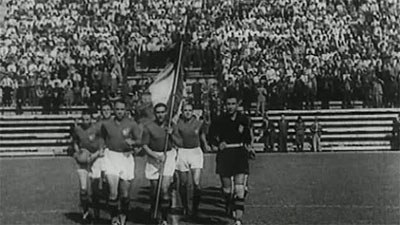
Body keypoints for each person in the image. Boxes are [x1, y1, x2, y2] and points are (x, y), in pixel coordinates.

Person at [209, 94, 252, 225]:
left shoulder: (243, 119)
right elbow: (211, 136)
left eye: (233, 104)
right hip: (225, 155)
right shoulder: (219, 119)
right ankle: (228, 202)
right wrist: (217, 144)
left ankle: (238, 220)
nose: (231, 107)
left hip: (239, 154)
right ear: (225, 105)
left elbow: (247, 137)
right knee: (227, 190)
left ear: (237, 105)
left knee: (239, 189)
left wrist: (247, 143)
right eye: (228, 104)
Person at [100, 100, 142, 225]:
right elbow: (102, 138)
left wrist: (133, 147)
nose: (120, 112)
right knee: (113, 191)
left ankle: (123, 214)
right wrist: (102, 149)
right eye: (117, 109)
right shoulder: (106, 124)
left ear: (126, 110)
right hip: (111, 157)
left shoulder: (132, 124)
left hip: (126, 158)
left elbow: (139, 141)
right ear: (114, 110)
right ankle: (113, 218)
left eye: (122, 109)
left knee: (124, 194)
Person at [141, 103, 182, 225]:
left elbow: (179, 142)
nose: (160, 115)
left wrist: (171, 134)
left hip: (168, 156)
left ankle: (164, 218)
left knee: (164, 188)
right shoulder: (148, 126)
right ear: (155, 113)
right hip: (154, 157)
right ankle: (155, 211)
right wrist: (155, 155)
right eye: (158, 112)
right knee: (154, 190)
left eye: (162, 112)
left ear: (166, 113)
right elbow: (144, 145)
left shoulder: (171, 125)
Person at [175, 103, 211, 217]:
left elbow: (205, 132)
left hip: (195, 152)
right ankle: (185, 207)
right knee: (183, 183)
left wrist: (205, 144)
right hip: (182, 152)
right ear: (182, 111)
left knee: (196, 183)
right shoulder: (178, 123)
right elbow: (175, 136)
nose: (187, 112)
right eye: (185, 110)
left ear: (193, 112)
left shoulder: (198, 123)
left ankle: (195, 208)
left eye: (190, 110)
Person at [71, 111, 105, 222]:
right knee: (83, 189)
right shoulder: (78, 129)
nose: (85, 122)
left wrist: (93, 156)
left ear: (91, 119)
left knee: (95, 190)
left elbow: (101, 146)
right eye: (83, 119)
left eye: (87, 119)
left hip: (95, 161)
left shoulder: (97, 129)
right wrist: (78, 152)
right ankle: (85, 212)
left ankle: (96, 213)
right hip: (83, 162)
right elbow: (75, 142)